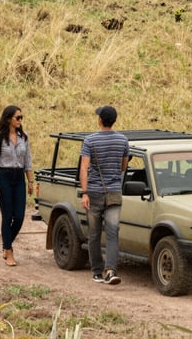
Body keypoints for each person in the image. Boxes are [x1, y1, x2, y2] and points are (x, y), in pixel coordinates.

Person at [79, 105, 130, 286]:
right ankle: (111, 271)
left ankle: (97, 272)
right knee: (112, 233)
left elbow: (84, 168)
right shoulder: (123, 140)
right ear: (114, 121)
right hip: (114, 192)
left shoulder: (90, 140)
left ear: (100, 120)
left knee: (94, 234)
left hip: (94, 192)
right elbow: (123, 166)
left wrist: (84, 193)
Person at [0, 105, 34, 267]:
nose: (20, 120)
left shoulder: (24, 137)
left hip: (19, 177)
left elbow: (27, 161)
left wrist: (30, 181)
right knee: (7, 216)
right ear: (8, 119)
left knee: (19, 217)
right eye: (17, 117)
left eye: (21, 117)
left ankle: (6, 244)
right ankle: (8, 250)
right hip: (4, 177)